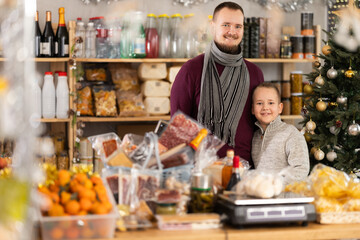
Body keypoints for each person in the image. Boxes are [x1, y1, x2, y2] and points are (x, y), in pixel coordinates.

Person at [170, 2, 264, 164]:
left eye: (238, 26)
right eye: (226, 25)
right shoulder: (190, 70)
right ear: (212, 27)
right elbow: (177, 129)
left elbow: (262, 126)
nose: (232, 32)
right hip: (200, 170)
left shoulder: (255, 73)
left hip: (243, 169)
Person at [251, 82, 309, 185]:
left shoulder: (291, 134)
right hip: (262, 196)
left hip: (286, 197)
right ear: (252, 109)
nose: (265, 107)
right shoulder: (255, 136)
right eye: (259, 103)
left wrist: (275, 184)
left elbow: (302, 170)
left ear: (280, 108)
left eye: (271, 103)